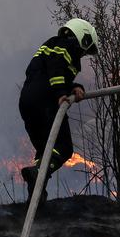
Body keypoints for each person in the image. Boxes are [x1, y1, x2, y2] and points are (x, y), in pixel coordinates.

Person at [19, 17, 98, 203]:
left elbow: (50, 73)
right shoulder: (65, 45)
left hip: (27, 102)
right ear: (82, 37)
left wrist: (73, 86)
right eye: (85, 50)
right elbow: (57, 69)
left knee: (45, 150)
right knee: (63, 148)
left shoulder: (50, 47)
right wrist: (62, 92)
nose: (83, 54)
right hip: (46, 102)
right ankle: (37, 174)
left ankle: (36, 197)